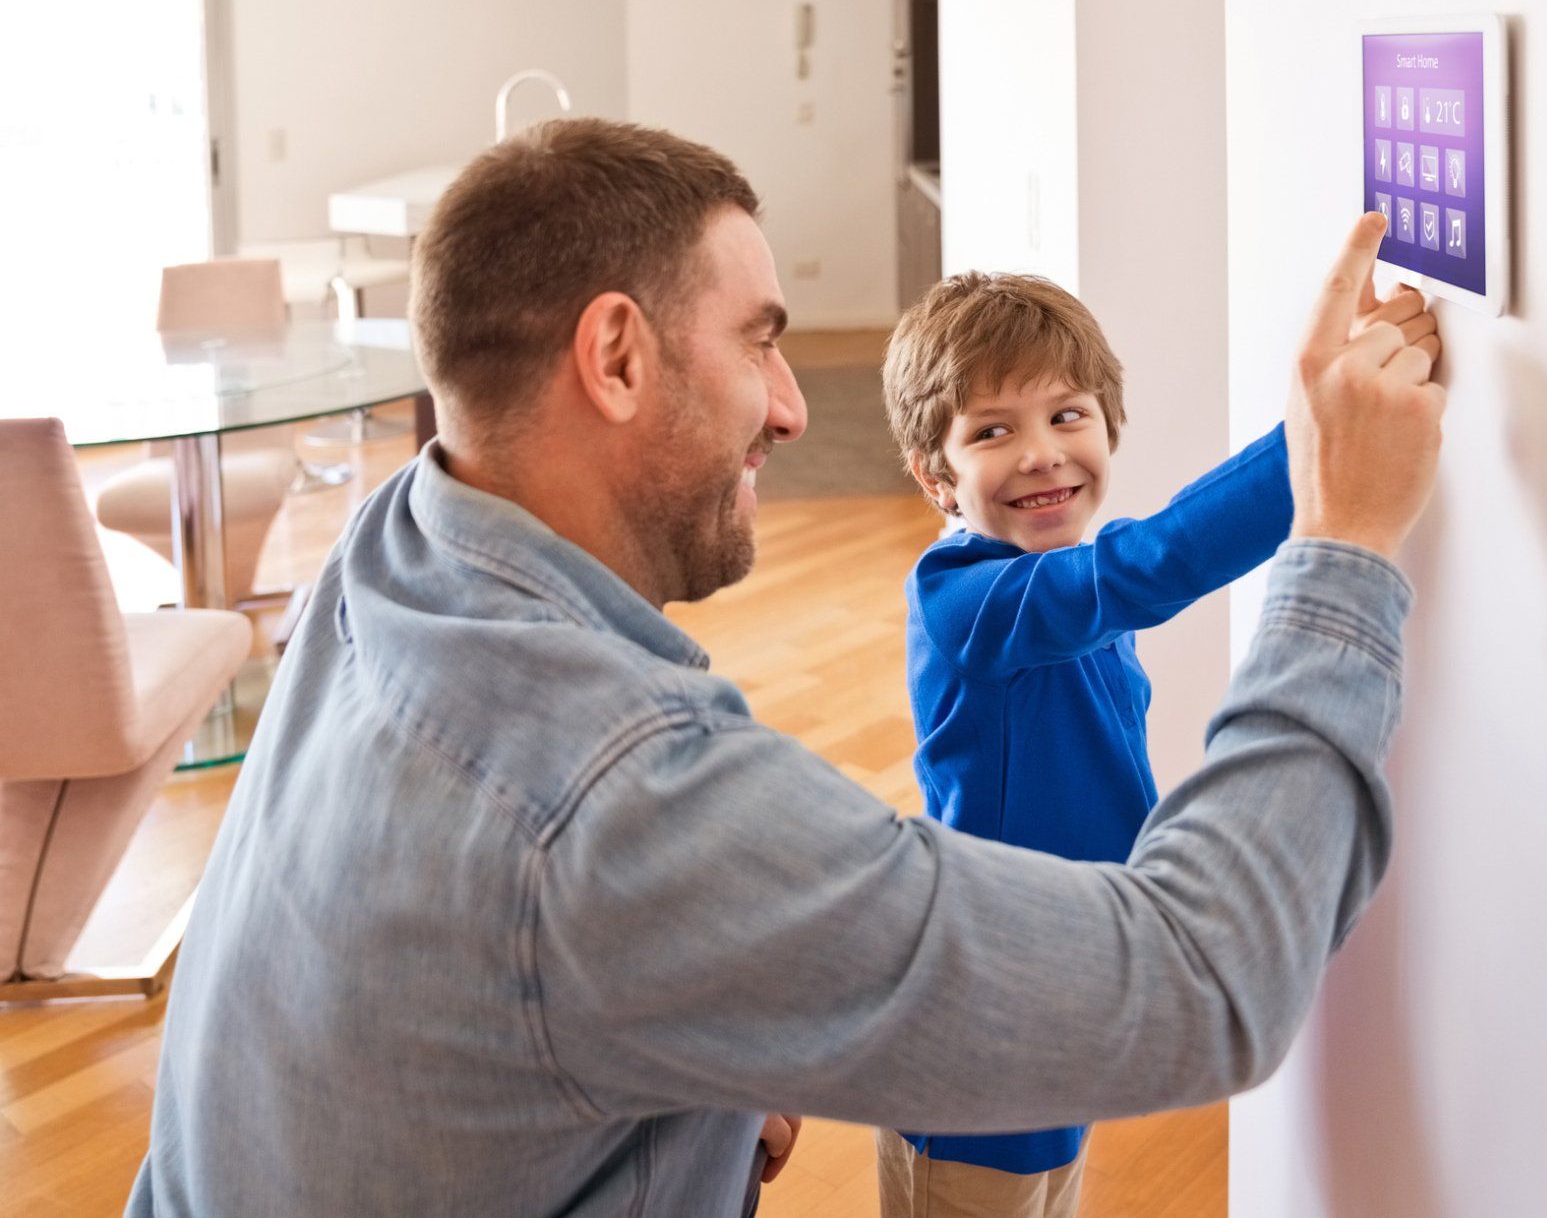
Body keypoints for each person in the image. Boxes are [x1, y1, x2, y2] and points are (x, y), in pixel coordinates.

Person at [130, 118, 1445, 1217]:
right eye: (760, 339)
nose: (794, 405)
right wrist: (1346, 536)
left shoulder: (394, 543)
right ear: (616, 355)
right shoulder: (623, 805)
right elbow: (1209, 983)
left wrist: (695, 1071)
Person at [874, 270, 1422, 1215]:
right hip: (980, 1014)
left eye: (1068, 415)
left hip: (1072, 977)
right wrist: (1320, 432)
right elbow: (1157, 561)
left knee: (1047, 1189)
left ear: (1108, 426)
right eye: (992, 431)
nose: (1043, 455)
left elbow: (1140, 558)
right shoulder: (966, 603)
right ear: (936, 476)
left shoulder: (1064, 579)